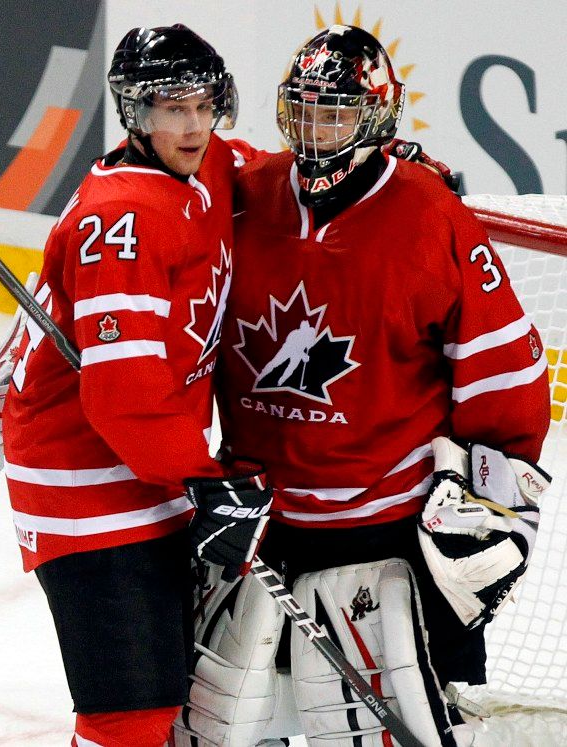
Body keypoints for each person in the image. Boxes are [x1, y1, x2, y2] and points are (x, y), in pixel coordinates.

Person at [173, 25, 551, 747]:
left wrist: (490, 504)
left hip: (387, 539)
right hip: (256, 528)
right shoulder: (243, 197)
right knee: (217, 734)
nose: (318, 131)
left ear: (376, 120)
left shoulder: (428, 214)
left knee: (419, 724)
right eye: (306, 110)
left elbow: (509, 378)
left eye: (338, 113)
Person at [1, 25, 272, 747]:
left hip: (147, 466)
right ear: (135, 115)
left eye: (203, 104)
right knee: (130, 712)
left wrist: (401, 165)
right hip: (78, 481)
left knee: (176, 699)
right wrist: (201, 477)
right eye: (170, 109)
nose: (191, 125)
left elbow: (268, 173)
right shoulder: (123, 218)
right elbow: (123, 391)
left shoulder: (207, 164)